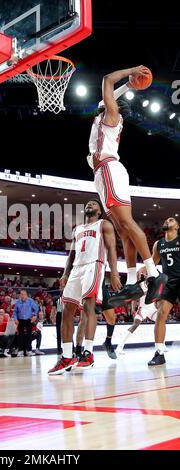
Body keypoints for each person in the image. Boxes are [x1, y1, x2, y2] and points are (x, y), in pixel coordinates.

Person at [88, 66, 167, 307]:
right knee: (123, 229)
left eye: (111, 101)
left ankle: (153, 275)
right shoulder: (105, 118)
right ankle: (133, 280)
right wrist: (130, 86)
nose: (105, 102)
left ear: (116, 107)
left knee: (128, 223)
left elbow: (106, 79)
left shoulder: (111, 117)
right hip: (104, 173)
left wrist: (131, 72)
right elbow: (105, 96)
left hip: (110, 170)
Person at [48, 200, 122, 375]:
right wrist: (65, 274)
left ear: (99, 211)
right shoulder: (78, 229)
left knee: (89, 307)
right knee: (66, 310)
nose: (90, 205)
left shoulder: (104, 224)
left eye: (94, 204)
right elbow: (71, 254)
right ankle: (67, 356)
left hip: (94, 265)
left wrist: (114, 273)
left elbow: (111, 248)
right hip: (76, 268)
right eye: (88, 204)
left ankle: (88, 354)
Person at [138, 217, 179, 366]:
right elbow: (153, 261)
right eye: (166, 220)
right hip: (169, 281)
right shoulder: (158, 244)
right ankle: (159, 353)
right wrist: (143, 268)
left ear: (177, 227)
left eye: (172, 220)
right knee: (161, 314)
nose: (167, 221)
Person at [76, 281, 118, 361]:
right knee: (84, 319)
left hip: (101, 286)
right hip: (87, 285)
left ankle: (108, 342)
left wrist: (114, 272)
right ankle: (77, 351)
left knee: (112, 318)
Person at [13, 290, 39, 357]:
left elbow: (36, 309)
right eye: (21, 294)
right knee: (20, 336)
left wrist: (35, 315)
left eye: (24, 294)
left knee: (29, 335)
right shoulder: (17, 302)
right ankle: (20, 351)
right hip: (20, 320)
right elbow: (15, 312)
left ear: (26, 295)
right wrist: (15, 319)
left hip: (29, 320)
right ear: (20, 295)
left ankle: (29, 350)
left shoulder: (30, 301)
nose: (22, 296)